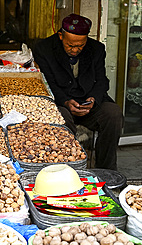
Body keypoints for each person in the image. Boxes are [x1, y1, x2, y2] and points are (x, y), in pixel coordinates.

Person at [33, 13, 123, 170]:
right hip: (61, 102)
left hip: (88, 103)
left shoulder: (96, 49)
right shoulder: (44, 49)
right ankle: (68, 168)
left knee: (113, 113)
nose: (75, 50)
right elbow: (47, 84)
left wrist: (93, 99)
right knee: (59, 118)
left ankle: (106, 170)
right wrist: (66, 102)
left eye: (80, 45)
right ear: (61, 36)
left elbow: (101, 81)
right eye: (70, 45)